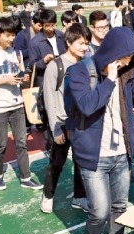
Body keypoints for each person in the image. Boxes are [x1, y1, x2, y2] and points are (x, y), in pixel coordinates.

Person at [65, 27, 134, 234]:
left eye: (131, 57)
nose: (128, 61)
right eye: (125, 56)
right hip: (93, 156)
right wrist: (109, 79)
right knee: (99, 209)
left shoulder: (128, 73)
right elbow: (87, 106)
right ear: (112, 52)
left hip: (122, 153)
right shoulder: (79, 72)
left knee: (119, 207)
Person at [0, 17, 43, 191]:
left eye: (13, 35)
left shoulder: (16, 53)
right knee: (1, 143)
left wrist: (23, 78)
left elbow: (18, 74)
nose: (12, 39)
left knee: (21, 143)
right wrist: (3, 81)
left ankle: (26, 177)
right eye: (8, 35)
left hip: (17, 104)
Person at [40, 23, 91, 214]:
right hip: (61, 123)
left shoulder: (87, 63)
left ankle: (79, 197)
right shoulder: (56, 65)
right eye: (80, 43)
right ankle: (48, 195)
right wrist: (55, 128)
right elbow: (49, 98)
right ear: (68, 42)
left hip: (81, 123)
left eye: (86, 43)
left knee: (80, 161)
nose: (84, 47)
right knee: (57, 163)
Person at [28, 9, 67, 87]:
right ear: (42, 25)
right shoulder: (35, 42)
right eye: (47, 26)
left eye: (53, 25)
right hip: (45, 81)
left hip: (63, 76)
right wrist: (44, 60)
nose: (50, 28)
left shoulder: (60, 35)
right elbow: (32, 65)